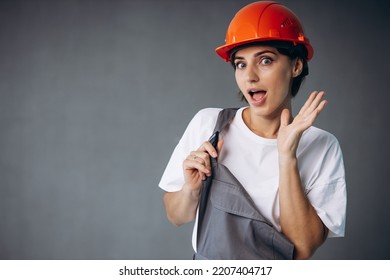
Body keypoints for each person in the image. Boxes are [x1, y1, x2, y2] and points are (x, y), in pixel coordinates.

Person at [159, 1, 346, 259]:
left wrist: (287, 156)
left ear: (296, 66)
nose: (250, 76)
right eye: (240, 64)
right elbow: (176, 216)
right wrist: (191, 190)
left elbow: (302, 249)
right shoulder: (208, 124)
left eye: (265, 60)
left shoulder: (322, 146)